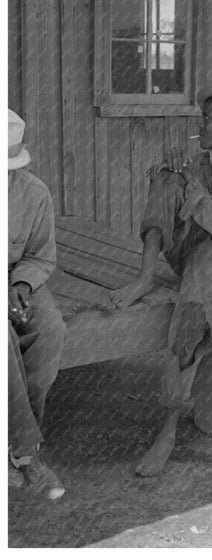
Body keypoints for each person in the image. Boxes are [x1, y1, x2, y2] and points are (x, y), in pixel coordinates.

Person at [110, 82, 212, 476]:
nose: (200, 125)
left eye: (207, 118)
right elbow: (183, 203)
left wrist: (193, 184)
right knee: (166, 177)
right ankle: (146, 277)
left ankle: (169, 427)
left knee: (190, 316)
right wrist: (171, 174)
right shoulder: (204, 160)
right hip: (192, 252)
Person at [8, 109, 67, 500]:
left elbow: (41, 256)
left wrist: (22, 283)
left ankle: (9, 445)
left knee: (50, 329)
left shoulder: (33, 192)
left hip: (16, 277)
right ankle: (26, 454)